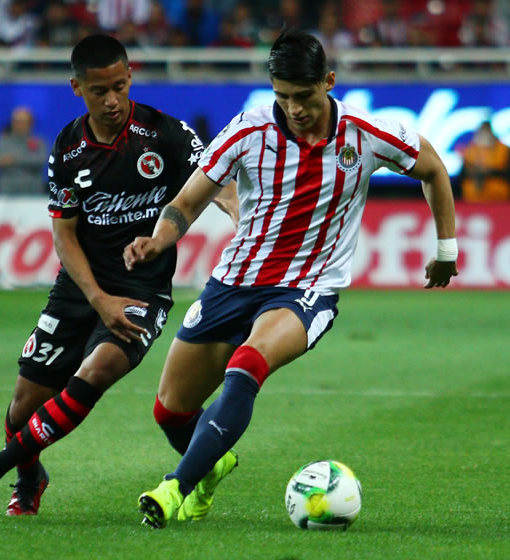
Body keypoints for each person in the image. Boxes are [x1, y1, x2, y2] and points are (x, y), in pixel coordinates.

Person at [123, 28, 459, 529]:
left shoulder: (365, 133)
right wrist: (157, 239)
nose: (295, 108)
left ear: (329, 81)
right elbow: (188, 201)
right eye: (283, 96)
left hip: (308, 288)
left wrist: (446, 249)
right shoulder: (247, 130)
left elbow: (432, 169)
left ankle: (175, 487)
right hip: (233, 282)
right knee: (170, 410)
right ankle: (210, 465)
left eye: (304, 96)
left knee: (247, 364)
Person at [0, 34, 238, 516]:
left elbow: (214, 184)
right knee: (24, 406)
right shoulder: (66, 147)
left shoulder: (165, 133)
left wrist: (239, 213)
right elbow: (64, 236)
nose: (113, 101)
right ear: (77, 88)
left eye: (120, 87)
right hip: (78, 289)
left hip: (142, 290)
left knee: (98, 368)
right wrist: (97, 297)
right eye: (100, 91)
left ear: (130, 78)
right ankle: (28, 477)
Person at [0, 107, 48, 195]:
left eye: (23, 122)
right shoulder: (3, 141)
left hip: (32, 193)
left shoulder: (39, 142)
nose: (20, 125)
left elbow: (40, 160)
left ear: (31, 123)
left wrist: (14, 159)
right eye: (17, 122)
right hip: (6, 192)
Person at [459, 121, 510, 203]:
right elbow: (462, 175)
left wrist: (490, 172)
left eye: (487, 131)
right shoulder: (470, 150)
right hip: (473, 198)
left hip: (500, 197)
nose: (485, 135)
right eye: (482, 131)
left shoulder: (505, 150)